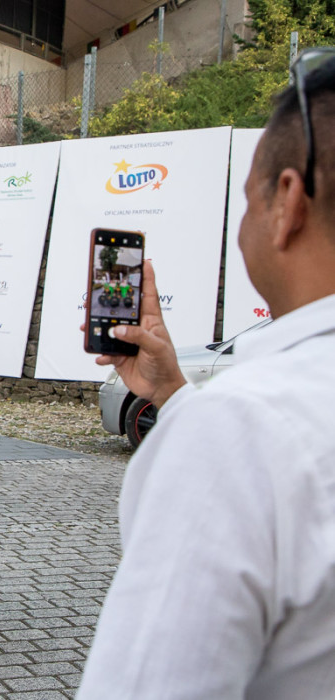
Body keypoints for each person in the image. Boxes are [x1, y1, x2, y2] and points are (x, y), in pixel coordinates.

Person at [77, 52, 335, 699]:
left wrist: (203, 424)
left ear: (287, 203)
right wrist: (173, 394)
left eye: (246, 201)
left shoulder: (243, 427)